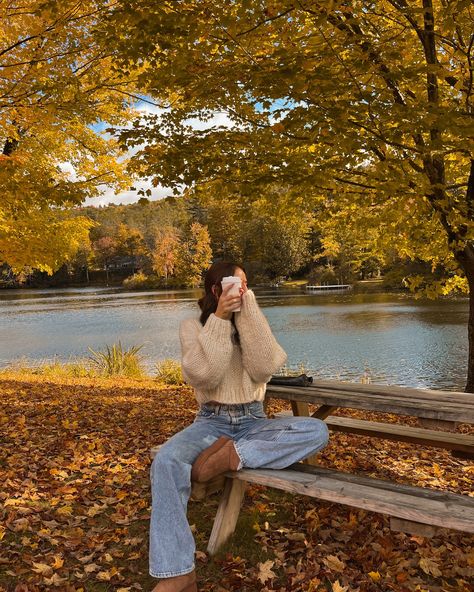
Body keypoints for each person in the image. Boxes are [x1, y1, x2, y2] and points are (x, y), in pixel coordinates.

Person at [149, 261, 329, 592]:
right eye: (233, 284)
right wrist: (219, 319)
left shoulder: (252, 323)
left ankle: (232, 456)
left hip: (253, 421)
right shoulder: (192, 327)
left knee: (316, 431)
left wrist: (248, 314)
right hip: (210, 422)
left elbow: (265, 368)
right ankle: (178, 573)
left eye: (245, 284)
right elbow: (205, 375)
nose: (241, 290)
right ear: (215, 290)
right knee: (165, 461)